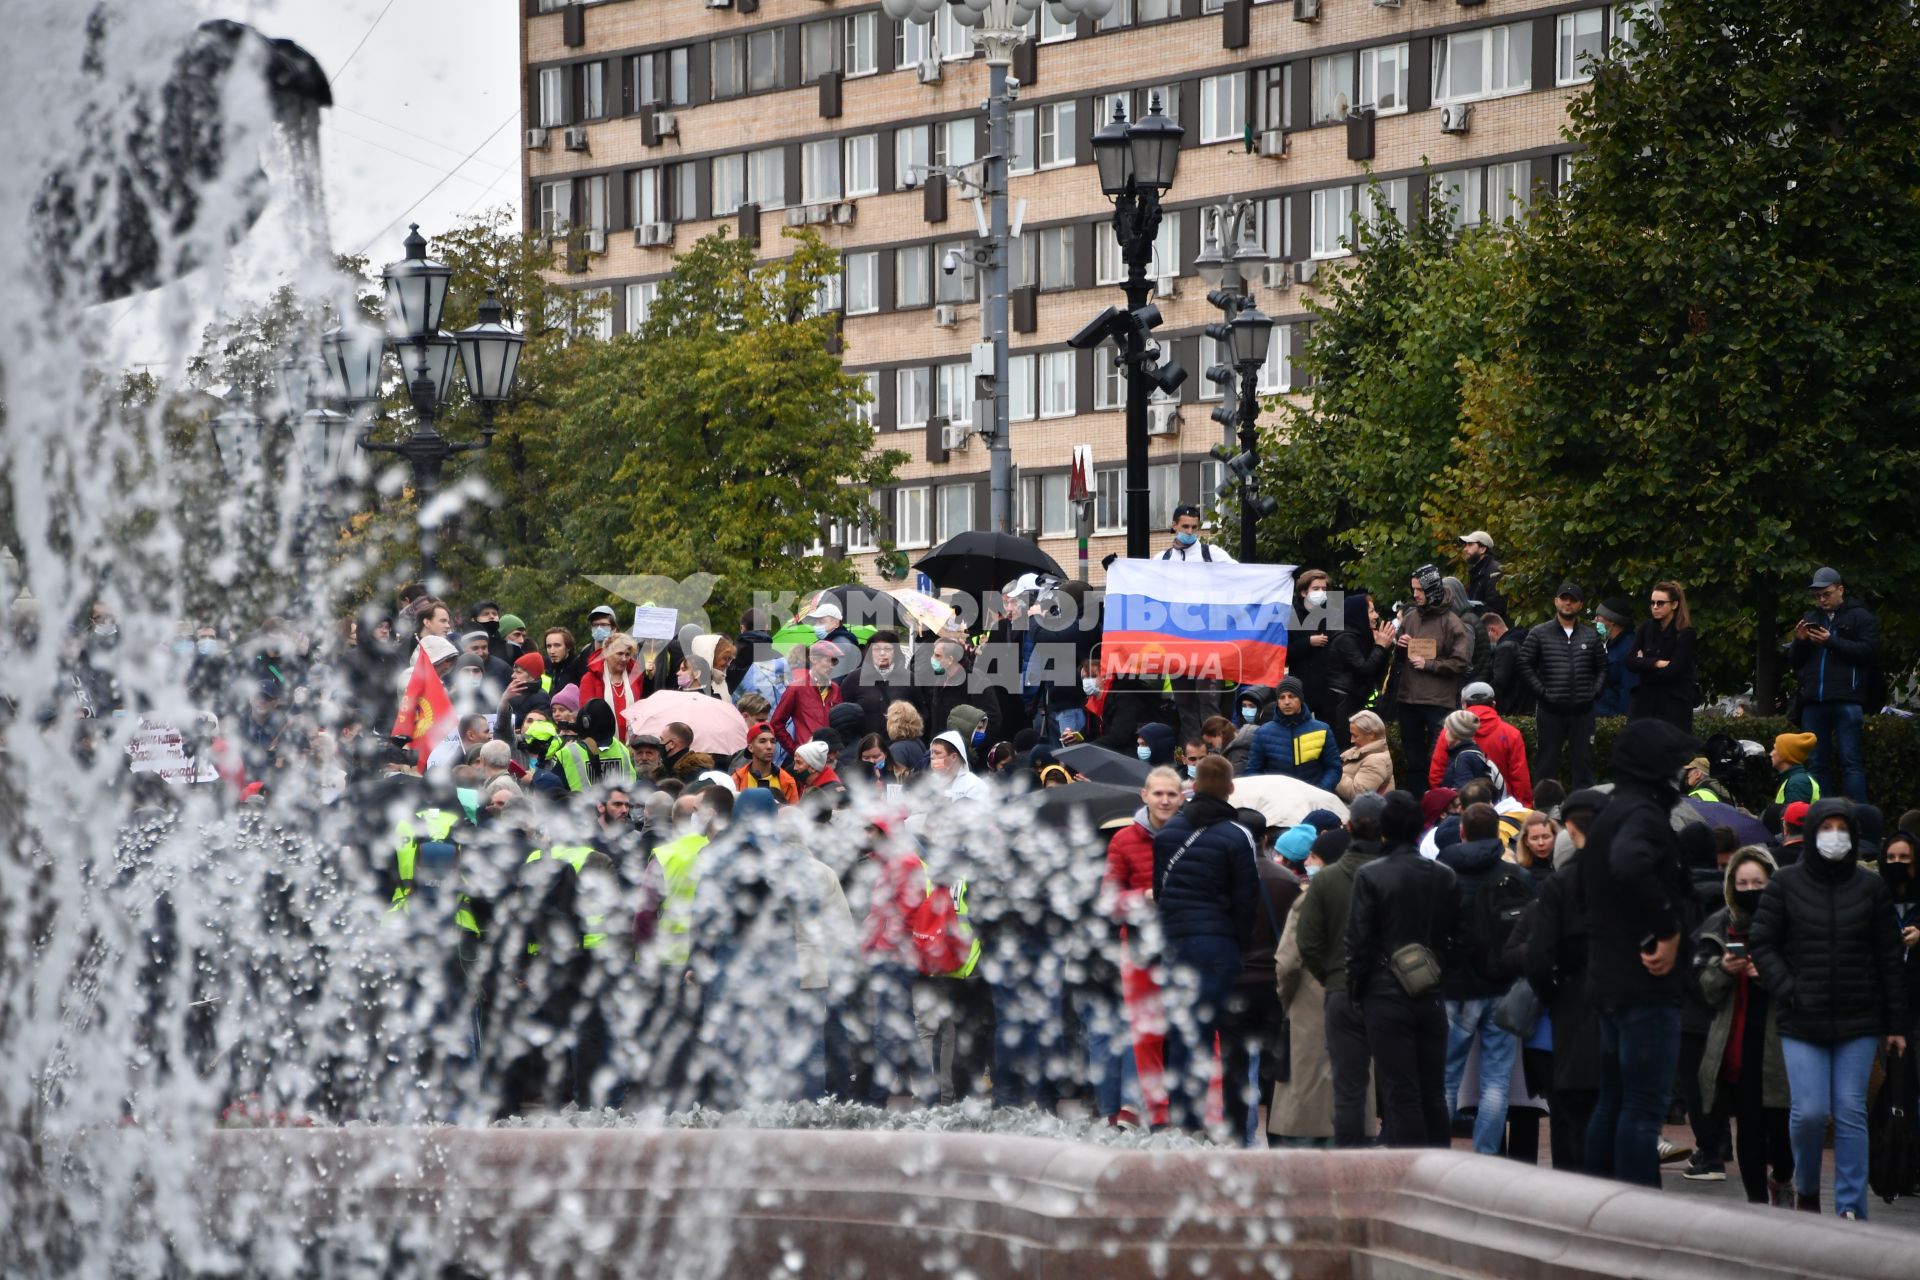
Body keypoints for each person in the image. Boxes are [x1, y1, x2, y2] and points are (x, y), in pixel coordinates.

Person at [1750, 798, 1909, 1218]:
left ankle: (1851, 1208)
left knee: (1850, 1110)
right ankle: (1805, 1188)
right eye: (1827, 826)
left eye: (1842, 827)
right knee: (1809, 1112)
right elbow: (1762, 944)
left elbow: (1889, 957)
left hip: (1859, 1018)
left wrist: (1897, 1023)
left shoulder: (1870, 888)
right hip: (1802, 1017)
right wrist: (1787, 986)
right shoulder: (1785, 884)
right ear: (1814, 831)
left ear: (1853, 835)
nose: (1834, 835)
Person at [1576, 718, 1697, 1187]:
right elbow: (1632, 864)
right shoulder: (1642, 815)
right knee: (1642, 1109)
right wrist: (1667, 930)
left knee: (1615, 1099)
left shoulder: (1610, 811)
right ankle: (1636, 1214)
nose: (1680, 774)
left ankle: (1604, 1208)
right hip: (1645, 983)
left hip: (1609, 976)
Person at [1343, 790, 1459, 1147]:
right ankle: (1441, 1169)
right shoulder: (1443, 875)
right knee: (1433, 1089)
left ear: (1384, 831)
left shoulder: (1370, 876)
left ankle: (1409, 1173)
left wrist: (1356, 990)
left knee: (1400, 1091)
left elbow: (1358, 941)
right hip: (1432, 990)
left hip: (1384, 991)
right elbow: (1456, 934)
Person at [1152, 755, 1258, 1133]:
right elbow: (1247, 900)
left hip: (1176, 946)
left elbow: (1162, 893)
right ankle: (1230, 1127)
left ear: (1192, 787)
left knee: (1182, 1035)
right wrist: (1239, 947)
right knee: (1226, 1037)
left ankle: (1184, 1120)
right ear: (1230, 788)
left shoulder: (1166, 835)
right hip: (1218, 947)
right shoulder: (1237, 835)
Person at [1693, 847, 1794, 1205]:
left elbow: (1803, 984)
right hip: (1736, 1042)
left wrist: (1768, 975)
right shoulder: (1720, 924)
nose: (1751, 889)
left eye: (1758, 882)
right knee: (1749, 1127)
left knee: (1781, 1130)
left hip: (1780, 1044)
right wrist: (1723, 970)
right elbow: (1703, 989)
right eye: (1743, 882)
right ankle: (1756, 1204)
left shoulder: (1790, 924)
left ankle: (1782, 1178)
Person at [1438, 803, 1532, 1154]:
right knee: (1496, 1079)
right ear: (1498, 833)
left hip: (1455, 985)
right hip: (1500, 985)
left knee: (1447, 1075)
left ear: (1462, 831)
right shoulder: (1514, 876)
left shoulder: (1442, 871)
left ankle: (1439, 1152)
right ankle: (1486, 1156)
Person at [1522, 787, 1608, 1171]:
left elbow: (1538, 959)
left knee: (1574, 1113)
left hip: (1573, 1008)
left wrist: (1554, 994)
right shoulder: (1631, 873)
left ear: (1570, 830)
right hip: (1624, 1008)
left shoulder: (1560, 886)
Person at [1104, 765, 1185, 1128]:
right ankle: (1153, 1111)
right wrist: (1145, 898)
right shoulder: (1124, 840)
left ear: (1182, 797)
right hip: (1139, 947)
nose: (1165, 800)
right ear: (1145, 796)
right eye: (1159, 794)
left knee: (1192, 1031)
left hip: (1184, 945)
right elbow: (1110, 901)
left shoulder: (1193, 836)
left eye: (1172, 794)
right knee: (1146, 1032)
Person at [1790, 567, 1879, 802]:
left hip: (1846, 698)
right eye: (1817, 595)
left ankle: (1857, 817)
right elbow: (1796, 663)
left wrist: (1832, 642)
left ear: (1841, 589)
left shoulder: (1861, 616)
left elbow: (1868, 652)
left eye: (1826, 594)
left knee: (1851, 761)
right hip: (1814, 700)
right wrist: (1799, 642)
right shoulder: (1812, 618)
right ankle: (1821, 816)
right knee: (1816, 762)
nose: (1821, 600)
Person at [1519, 582, 1609, 788]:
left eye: (1573, 600)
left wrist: (1593, 692)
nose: (1567, 603)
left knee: (1584, 765)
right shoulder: (1539, 633)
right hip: (1550, 711)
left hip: (1583, 711)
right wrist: (1542, 692)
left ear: (1580, 605)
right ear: (1556, 601)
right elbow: (1524, 663)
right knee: (1546, 766)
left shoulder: (1590, 635)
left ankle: (1583, 813)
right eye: (1564, 598)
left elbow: (1603, 667)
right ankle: (1543, 812)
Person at [1158, 504, 1235, 740]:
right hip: (1176, 644)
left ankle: (1217, 754)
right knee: (1185, 707)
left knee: (1210, 705)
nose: (1190, 531)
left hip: (1208, 642)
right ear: (1174, 526)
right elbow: (1140, 586)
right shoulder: (1162, 559)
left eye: (1194, 527)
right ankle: (1193, 758)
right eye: (1185, 526)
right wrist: (1116, 568)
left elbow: (1244, 577)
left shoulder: (1212, 554)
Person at [1395, 565, 1471, 800]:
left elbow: (1461, 662)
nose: (1415, 594)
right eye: (1414, 589)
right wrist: (1400, 645)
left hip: (1439, 701)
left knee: (1437, 759)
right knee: (1413, 760)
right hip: (1408, 699)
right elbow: (1399, 661)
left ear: (1432, 590)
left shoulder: (1452, 622)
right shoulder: (1410, 618)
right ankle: (1418, 806)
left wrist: (1429, 665)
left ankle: (1440, 803)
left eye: (1420, 590)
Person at [1427, 682, 1532, 808]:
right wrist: (1523, 808)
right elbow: (1520, 778)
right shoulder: (1511, 734)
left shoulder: (1450, 731)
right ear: (1493, 704)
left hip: (1458, 807)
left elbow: (1437, 774)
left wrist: (1445, 805)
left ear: (1464, 705)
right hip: (1502, 804)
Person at [1322, 592, 1393, 752]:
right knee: (1347, 750)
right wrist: (1380, 647)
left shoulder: (1360, 636)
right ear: (1359, 613)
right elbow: (1365, 669)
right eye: (1371, 611)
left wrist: (1381, 647)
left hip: (1354, 700)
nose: (1376, 616)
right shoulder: (1346, 638)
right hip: (1343, 703)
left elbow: (1377, 674)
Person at [1626, 581, 1698, 732]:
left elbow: (1673, 671)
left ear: (1674, 605)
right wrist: (1657, 663)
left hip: (1673, 708)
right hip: (1644, 706)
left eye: (1660, 603)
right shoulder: (1646, 628)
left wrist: (1643, 664)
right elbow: (1630, 661)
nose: (1655, 607)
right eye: (1652, 603)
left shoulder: (1686, 634)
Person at [1244, 676, 1339, 789]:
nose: (1287, 702)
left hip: (1314, 800)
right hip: (1276, 800)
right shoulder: (1263, 733)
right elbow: (1253, 770)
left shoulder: (1322, 730)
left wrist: (1320, 791)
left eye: (1291, 696)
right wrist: (1268, 793)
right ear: (1277, 701)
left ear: (1300, 699)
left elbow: (1334, 768)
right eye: (1282, 697)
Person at [769, 643, 844, 759]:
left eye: (834, 662)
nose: (832, 666)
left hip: (831, 757)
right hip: (807, 759)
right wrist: (795, 750)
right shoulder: (796, 688)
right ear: (813, 659)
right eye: (828, 660)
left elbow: (839, 724)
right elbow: (776, 723)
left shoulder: (835, 689)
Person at [839, 629, 909, 737]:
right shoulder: (853, 680)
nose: (882, 653)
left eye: (887, 649)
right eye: (876, 649)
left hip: (898, 745)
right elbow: (843, 716)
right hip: (864, 747)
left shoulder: (909, 679)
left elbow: (920, 715)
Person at [579, 633, 645, 734]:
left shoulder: (635, 676)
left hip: (632, 741)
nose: (624, 659)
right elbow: (586, 714)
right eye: (619, 654)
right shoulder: (590, 679)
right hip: (601, 740)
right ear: (606, 653)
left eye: (627, 654)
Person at [1592, 597, 1639, 719]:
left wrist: (1622, 719)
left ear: (1612, 620)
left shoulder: (1629, 648)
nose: (1595, 620)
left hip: (1613, 715)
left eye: (1599, 616)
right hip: (1602, 712)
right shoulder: (1607, 644)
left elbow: (1629, 688)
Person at [732, 722, 799, 804]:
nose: (769, 746)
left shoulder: (787, 781)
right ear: (750, 748)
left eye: (773, 741)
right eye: (762, 741)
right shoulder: (737, 779)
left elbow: (793, 814)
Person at [1335, 710, 1394, 802]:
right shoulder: (1359, 751)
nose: (1352, 740)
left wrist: (1333, 773)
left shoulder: (1376, 760)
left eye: (1355, 736)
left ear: (1371, 734)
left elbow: (1358, 795)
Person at [1767, 731, 1821, 829]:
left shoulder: (1798, 782)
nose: (1771, 753)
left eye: (1774, 749)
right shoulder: (1794, 779)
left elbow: (1794, 824)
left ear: (1784, 755)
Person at [1484, 613, 1533, 719]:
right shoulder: (1523, 640)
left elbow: (1499, 682)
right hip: (1527, 705)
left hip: (1512, 707)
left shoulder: (1505, 648)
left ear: (1493, 630)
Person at [1457, 531, 1506, 619]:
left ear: (1482, 549)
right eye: (1466, 545)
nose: (1465, 549)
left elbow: (1495, 608)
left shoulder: (1494, 571)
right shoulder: (1477, 570)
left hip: (1489, 629)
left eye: (1470, 544)